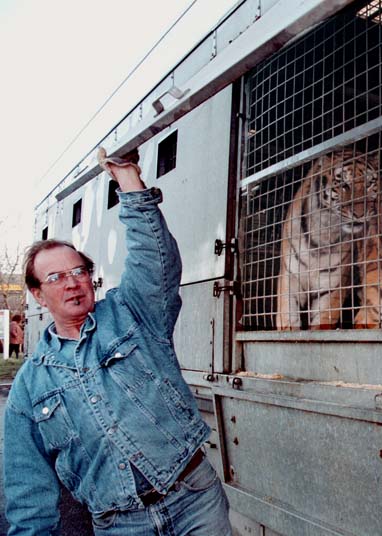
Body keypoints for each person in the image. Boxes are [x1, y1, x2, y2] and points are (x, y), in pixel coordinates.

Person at [3, 151, 232, 535]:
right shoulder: (29, 387)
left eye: (79, 271)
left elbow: (154, 260)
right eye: (56, 277)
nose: (72, 282)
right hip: (120, 524)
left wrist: (127, 179)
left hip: (194, 502)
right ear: (38, 296)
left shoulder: (132, 313)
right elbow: (27, 488)